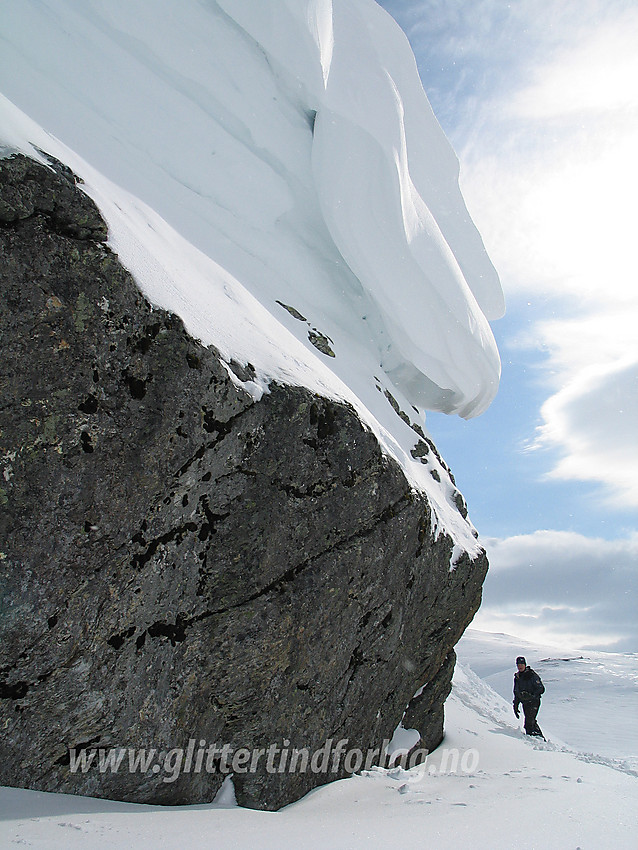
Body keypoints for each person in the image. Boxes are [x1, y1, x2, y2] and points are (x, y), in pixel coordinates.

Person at [513, 656, 545, 738]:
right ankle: (536, 738)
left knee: (529, 722)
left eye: (521, 664)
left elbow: (541, 688)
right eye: (518, 665)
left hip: (534, 702)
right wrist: (516, 705)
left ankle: (536, 738)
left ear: (525, 665)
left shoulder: (531, 675)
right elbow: (516, 691)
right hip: (525, 702)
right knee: (530, 721)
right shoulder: (517, 677)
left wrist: (532, 696)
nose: (519, 666)